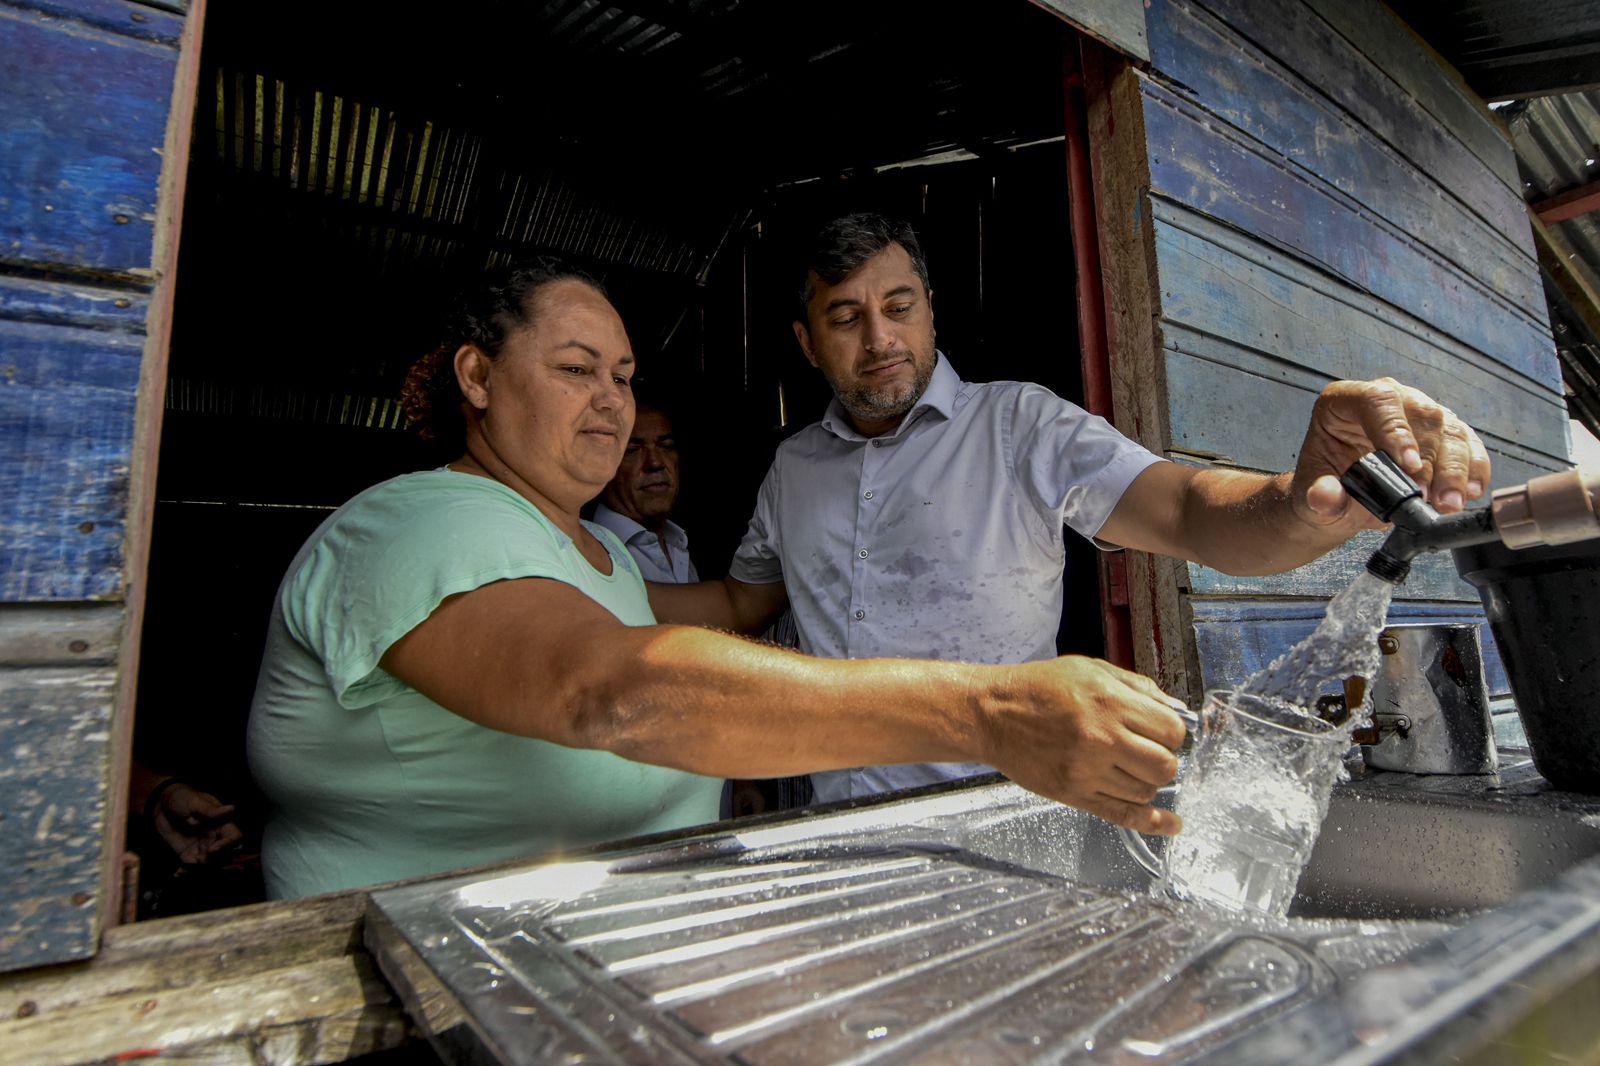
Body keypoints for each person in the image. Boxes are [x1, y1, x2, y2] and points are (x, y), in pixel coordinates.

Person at [245, 258, 1198, 899]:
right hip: (409, 978)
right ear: (478, 377)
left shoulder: (602, 555)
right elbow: (609, 687)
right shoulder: (415, 525)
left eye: (622, 375)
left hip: (594, 960)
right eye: (578, 369)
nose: (612, 401)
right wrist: (985, 711)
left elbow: (733, 610)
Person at [647, 212, 1492, 805]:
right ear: (805, 342)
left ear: (930, 311)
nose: (880, 341)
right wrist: (578, 566)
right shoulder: (794, 466)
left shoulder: (1020, 425)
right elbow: (739, 603)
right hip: (832, 821)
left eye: (899, 308)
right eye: (846, 317)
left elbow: (1190, 513)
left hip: (1000, 819)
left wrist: (1300, 498)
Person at [591, 397, 698, 584]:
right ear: (602, 464)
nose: (655, 462)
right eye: (632, 450)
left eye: (667, 446)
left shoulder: (677, 542)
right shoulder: (590, 551)